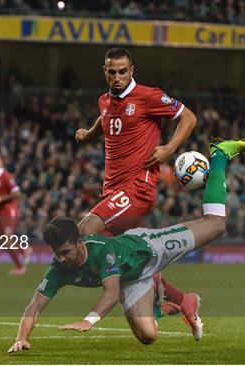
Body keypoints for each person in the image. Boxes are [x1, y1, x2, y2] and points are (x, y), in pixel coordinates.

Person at [8, 139, 245, 353]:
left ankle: (220, 154)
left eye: (65, 252)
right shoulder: (58, 268)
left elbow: (112, 292)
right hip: (132, 278)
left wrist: (89, 320)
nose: (61, 259)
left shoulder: (101, 250)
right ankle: (160, 292)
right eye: (57, 254)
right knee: (148, 337)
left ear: (78, 242)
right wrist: (22, 338)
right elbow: (35, 305)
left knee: (215, 225)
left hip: (149, 248)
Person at [74, 47, 200, 331]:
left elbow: (188, 117)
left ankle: (119, 293)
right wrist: (88, 133)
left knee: (84, 232)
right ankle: (179, 299)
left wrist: (169, 148)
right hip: (112, 191)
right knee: (124, 253)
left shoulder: (148, 96)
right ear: (104, 72)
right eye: (111, 72)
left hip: (136, 190)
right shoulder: (105, 101)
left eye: (122, 71)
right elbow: (104, 120)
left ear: (132, 70)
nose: (117, 77)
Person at [0, 155, 32, 275]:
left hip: (10, 211)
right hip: (0, 212)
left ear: (0, 163)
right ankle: (24, 250)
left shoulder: (6, 176)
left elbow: (17, 193)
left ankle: (20, 267)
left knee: (7, 240)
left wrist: (1, 198)